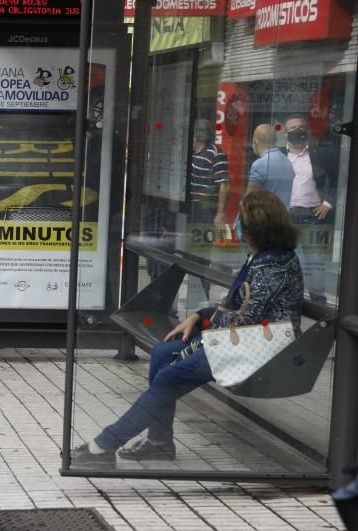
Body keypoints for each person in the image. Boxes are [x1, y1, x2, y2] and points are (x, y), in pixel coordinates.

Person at [71, 191, 304, 469]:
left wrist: (213, 318)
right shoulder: (258, 256)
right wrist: (199, 315)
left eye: (240, 219)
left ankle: (105, 445)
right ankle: (159, 442)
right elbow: (235, 309)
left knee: (169, 377)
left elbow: (245, 322)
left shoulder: (273, 265)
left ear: (256, 227)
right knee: (162, 353)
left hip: (262, 348)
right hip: (239, 340)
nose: (235, 223)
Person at [281, 114, 336, 302]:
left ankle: (318, 303)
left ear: (308, 131)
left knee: (315, 262)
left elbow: (337, 179)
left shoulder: (319, 154)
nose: (297, 130)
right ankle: (290, 301)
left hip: (313, 216)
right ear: (286, 132)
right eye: (292, 127)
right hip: (285, 217)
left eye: (301, 126)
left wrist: (327, 203)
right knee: (287, 261)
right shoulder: (279, 154)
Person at [187, 118, 230, 302]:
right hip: (188, 208)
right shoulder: (189, 153)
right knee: (188, 252)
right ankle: (192, 294)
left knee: (200, 253)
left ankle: (200, 296)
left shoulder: (216, 153)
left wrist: (220, 213)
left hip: (205, 209)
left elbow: (224, 184)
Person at [246, 123, 294, 209]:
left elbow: (250, 199)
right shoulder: (287, 161)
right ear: (275, 141)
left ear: (255, 141)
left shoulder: (259, 164)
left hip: (266, 218)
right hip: (283, 217)